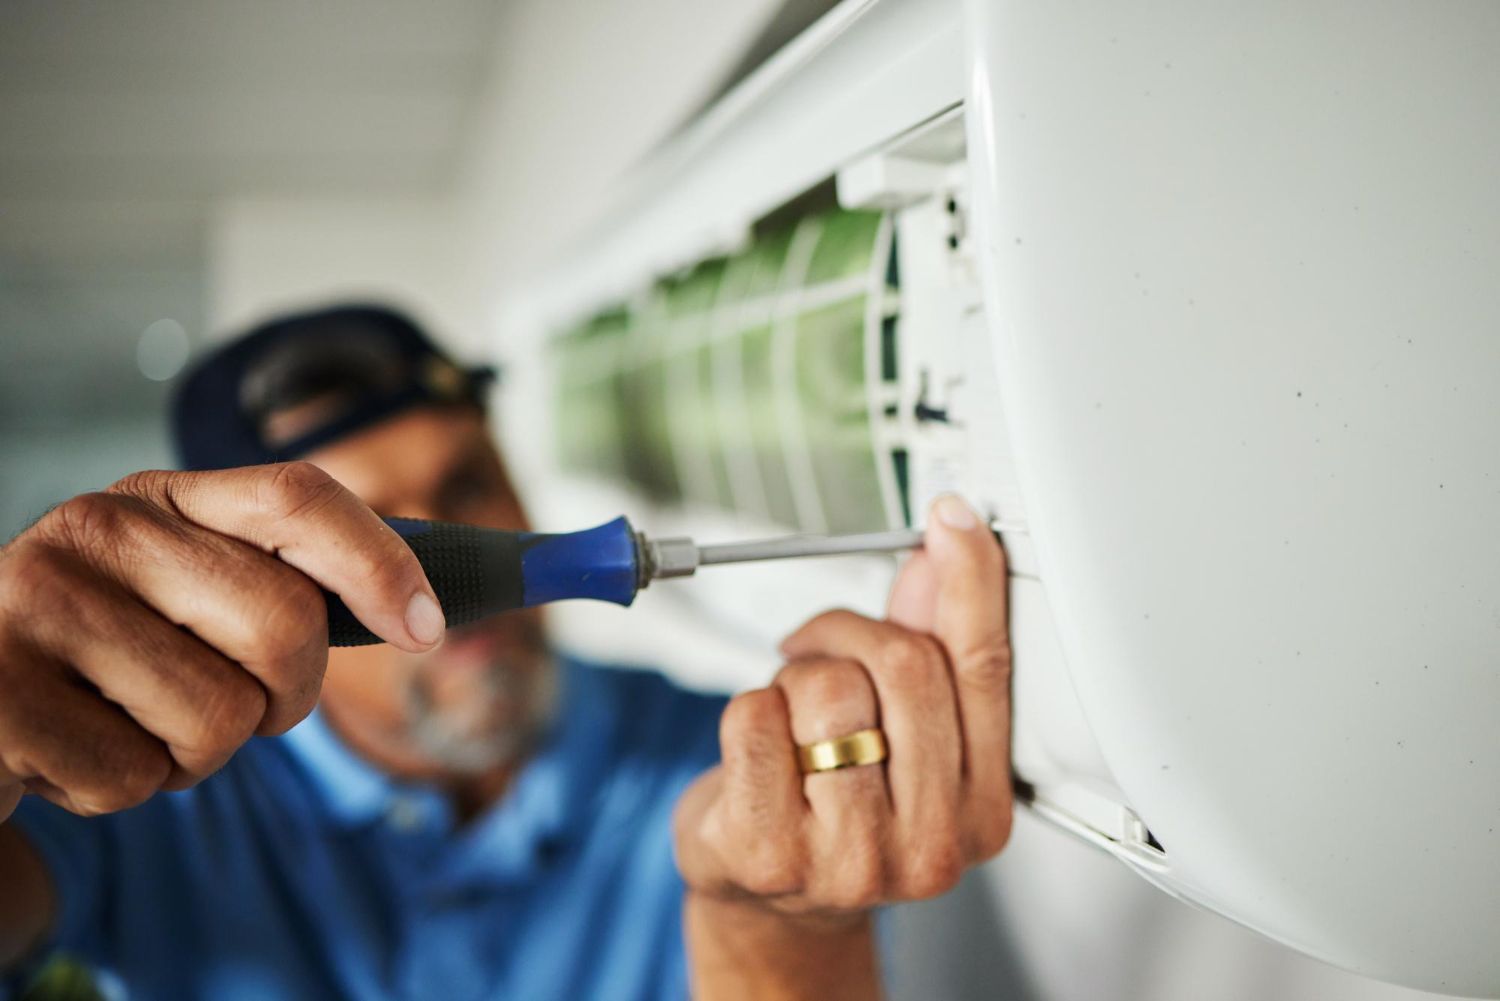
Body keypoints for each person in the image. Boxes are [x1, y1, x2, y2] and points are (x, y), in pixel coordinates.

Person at [0, 305, 1014, 1000]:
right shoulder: (140, 792)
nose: (450, 581)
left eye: (470, 486)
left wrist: (784, 926)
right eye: (365, 533)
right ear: (237, 589)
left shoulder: (717, 758)